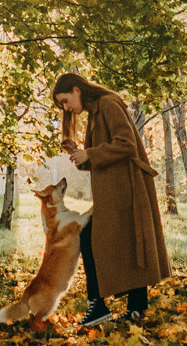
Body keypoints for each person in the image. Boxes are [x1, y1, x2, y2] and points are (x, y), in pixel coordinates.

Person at [53, 71, 171, 328]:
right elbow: (97, 158)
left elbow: (126, 143)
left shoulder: (108, 103)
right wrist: (81, 155)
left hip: (128, 187)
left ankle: (103, 305)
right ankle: (129, 307)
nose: (67, 108)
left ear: (76, 89)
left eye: (65, 101)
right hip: (113, 190)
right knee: (123, 240)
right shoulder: (95, 111)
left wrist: (90, 154)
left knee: (105, 238)